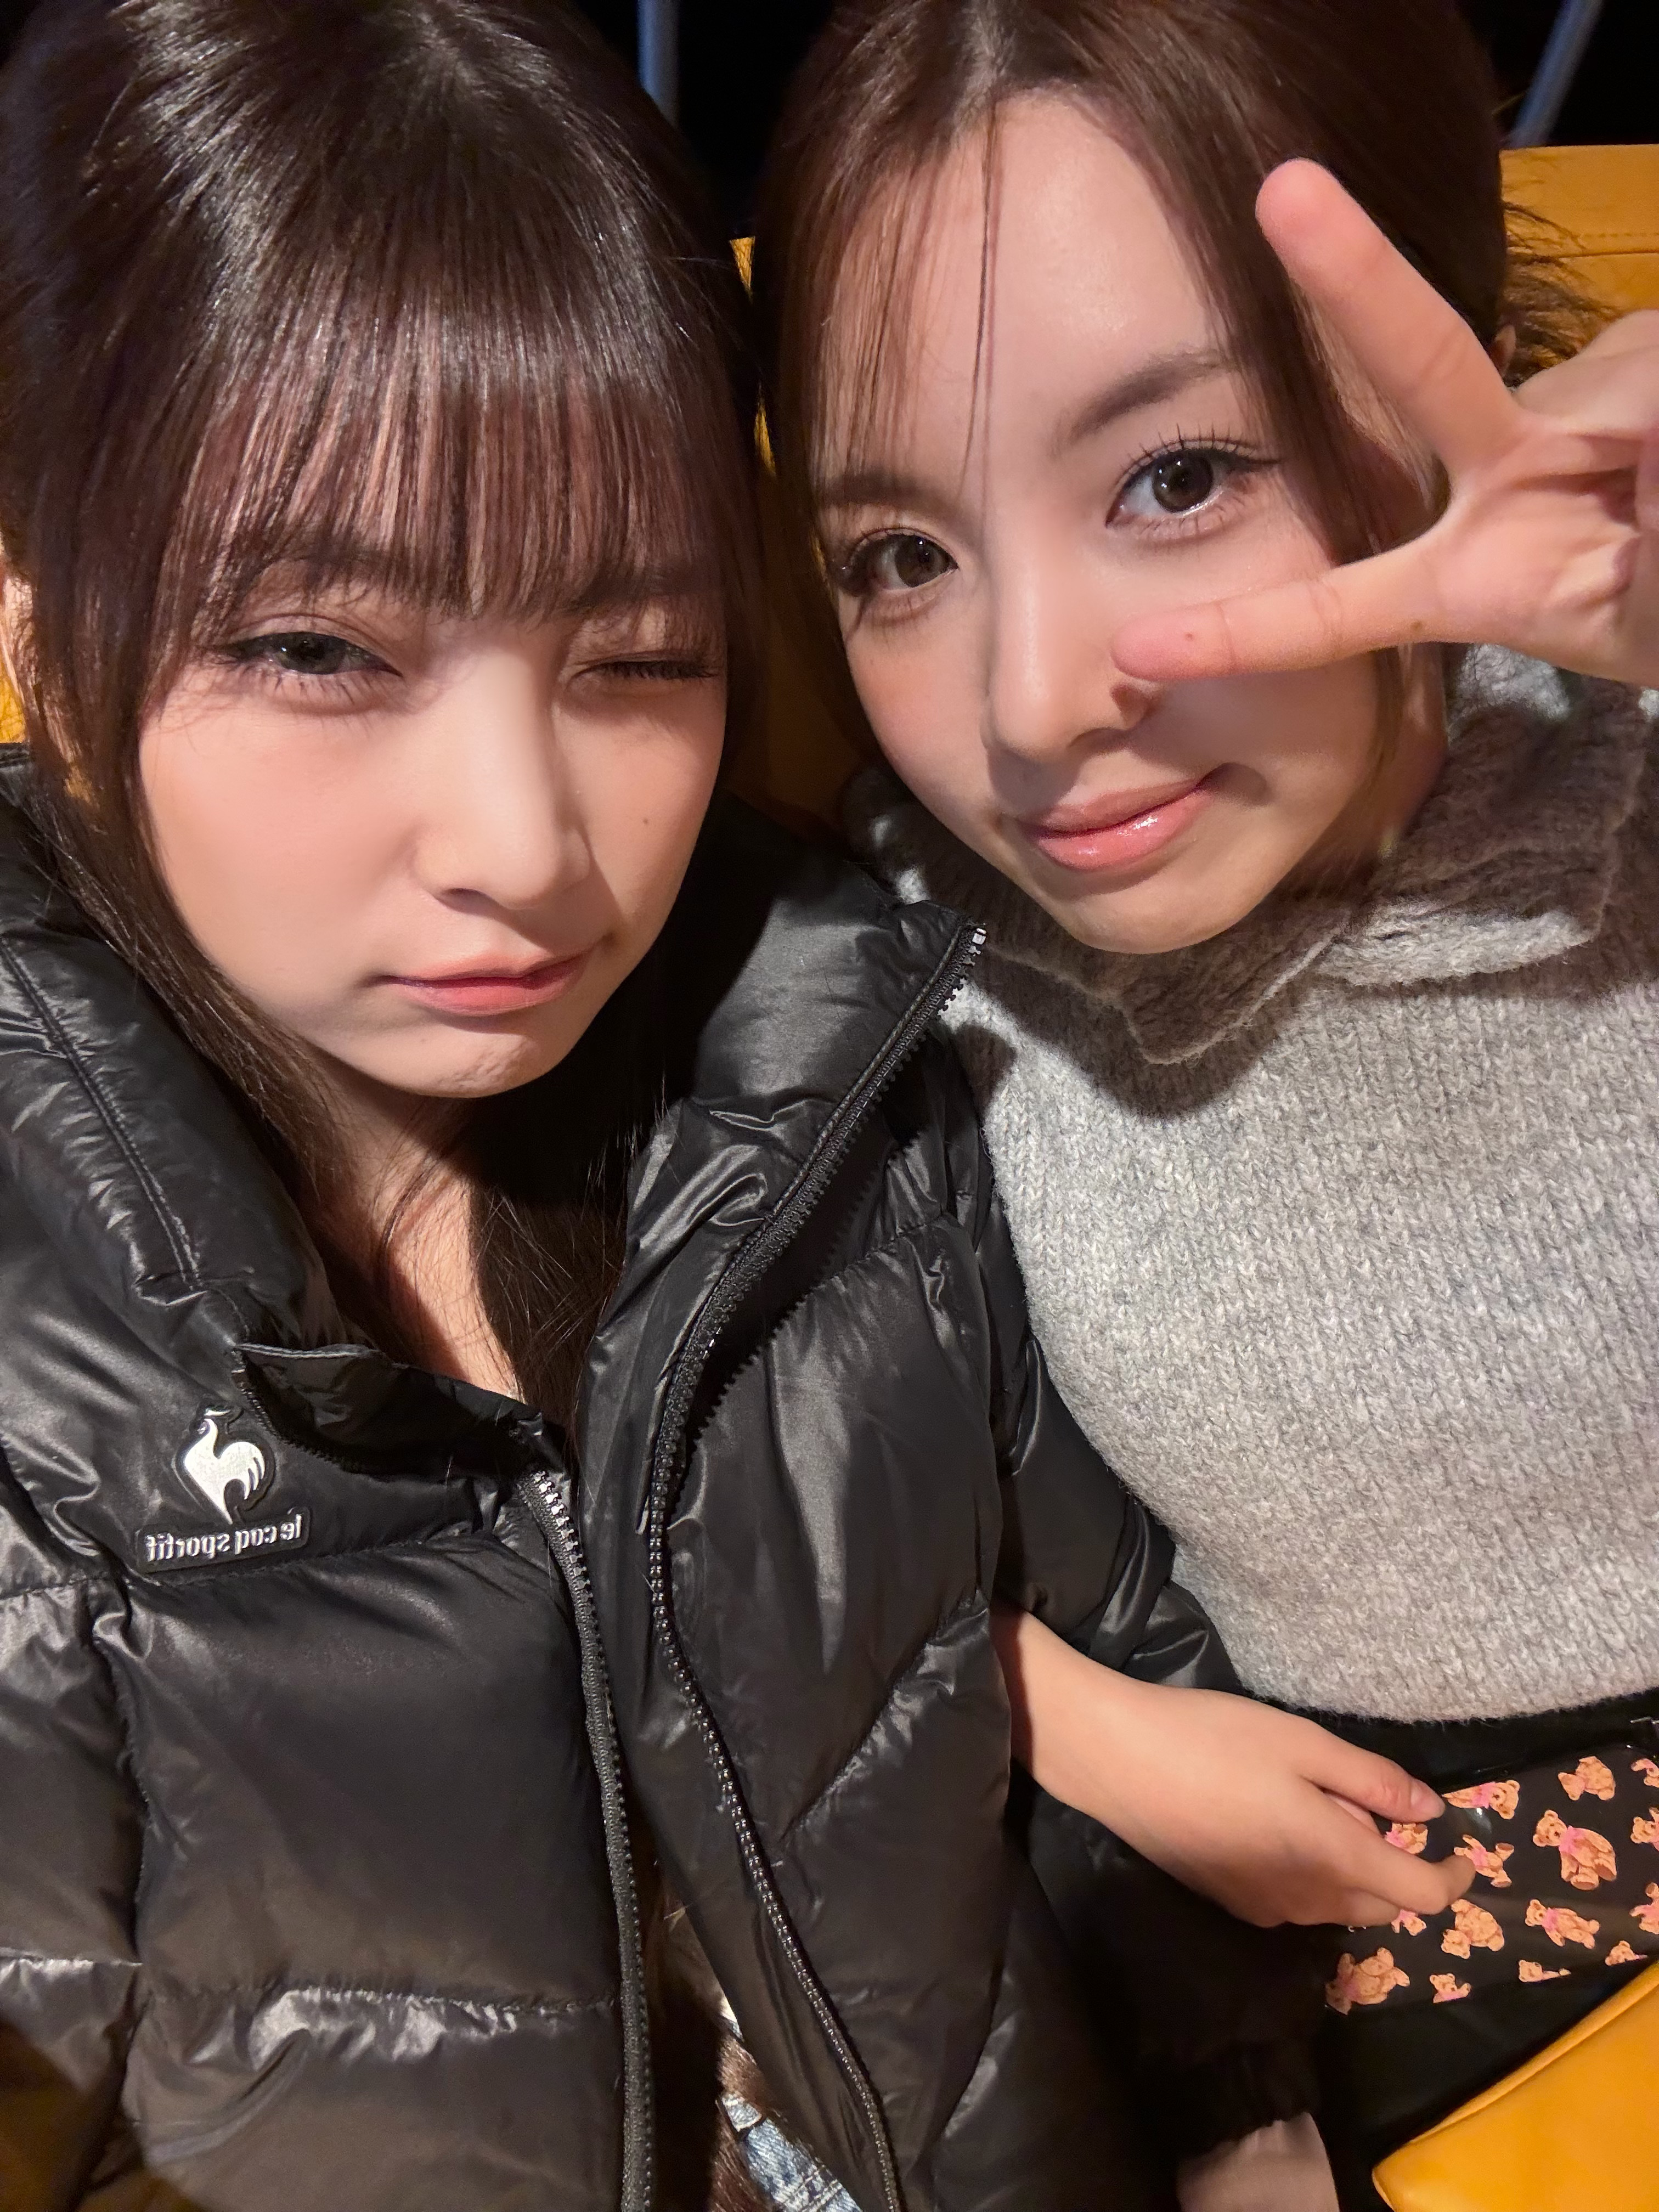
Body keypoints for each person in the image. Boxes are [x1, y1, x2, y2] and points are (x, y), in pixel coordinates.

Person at [0, 3, 1427, 2208]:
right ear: (48, 648)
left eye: (640, 654)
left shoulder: (827, 1053)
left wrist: (1242, 2113)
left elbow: (1107, 1659)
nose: (525, 844)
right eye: (319, 651)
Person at [751, 0, 1659, 2201]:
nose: (1027, 707)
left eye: (1177, 479)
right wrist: (1060, 1714)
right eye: (901, 556)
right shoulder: (896, 958)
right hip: (1322, 1965)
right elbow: (703, 1501)